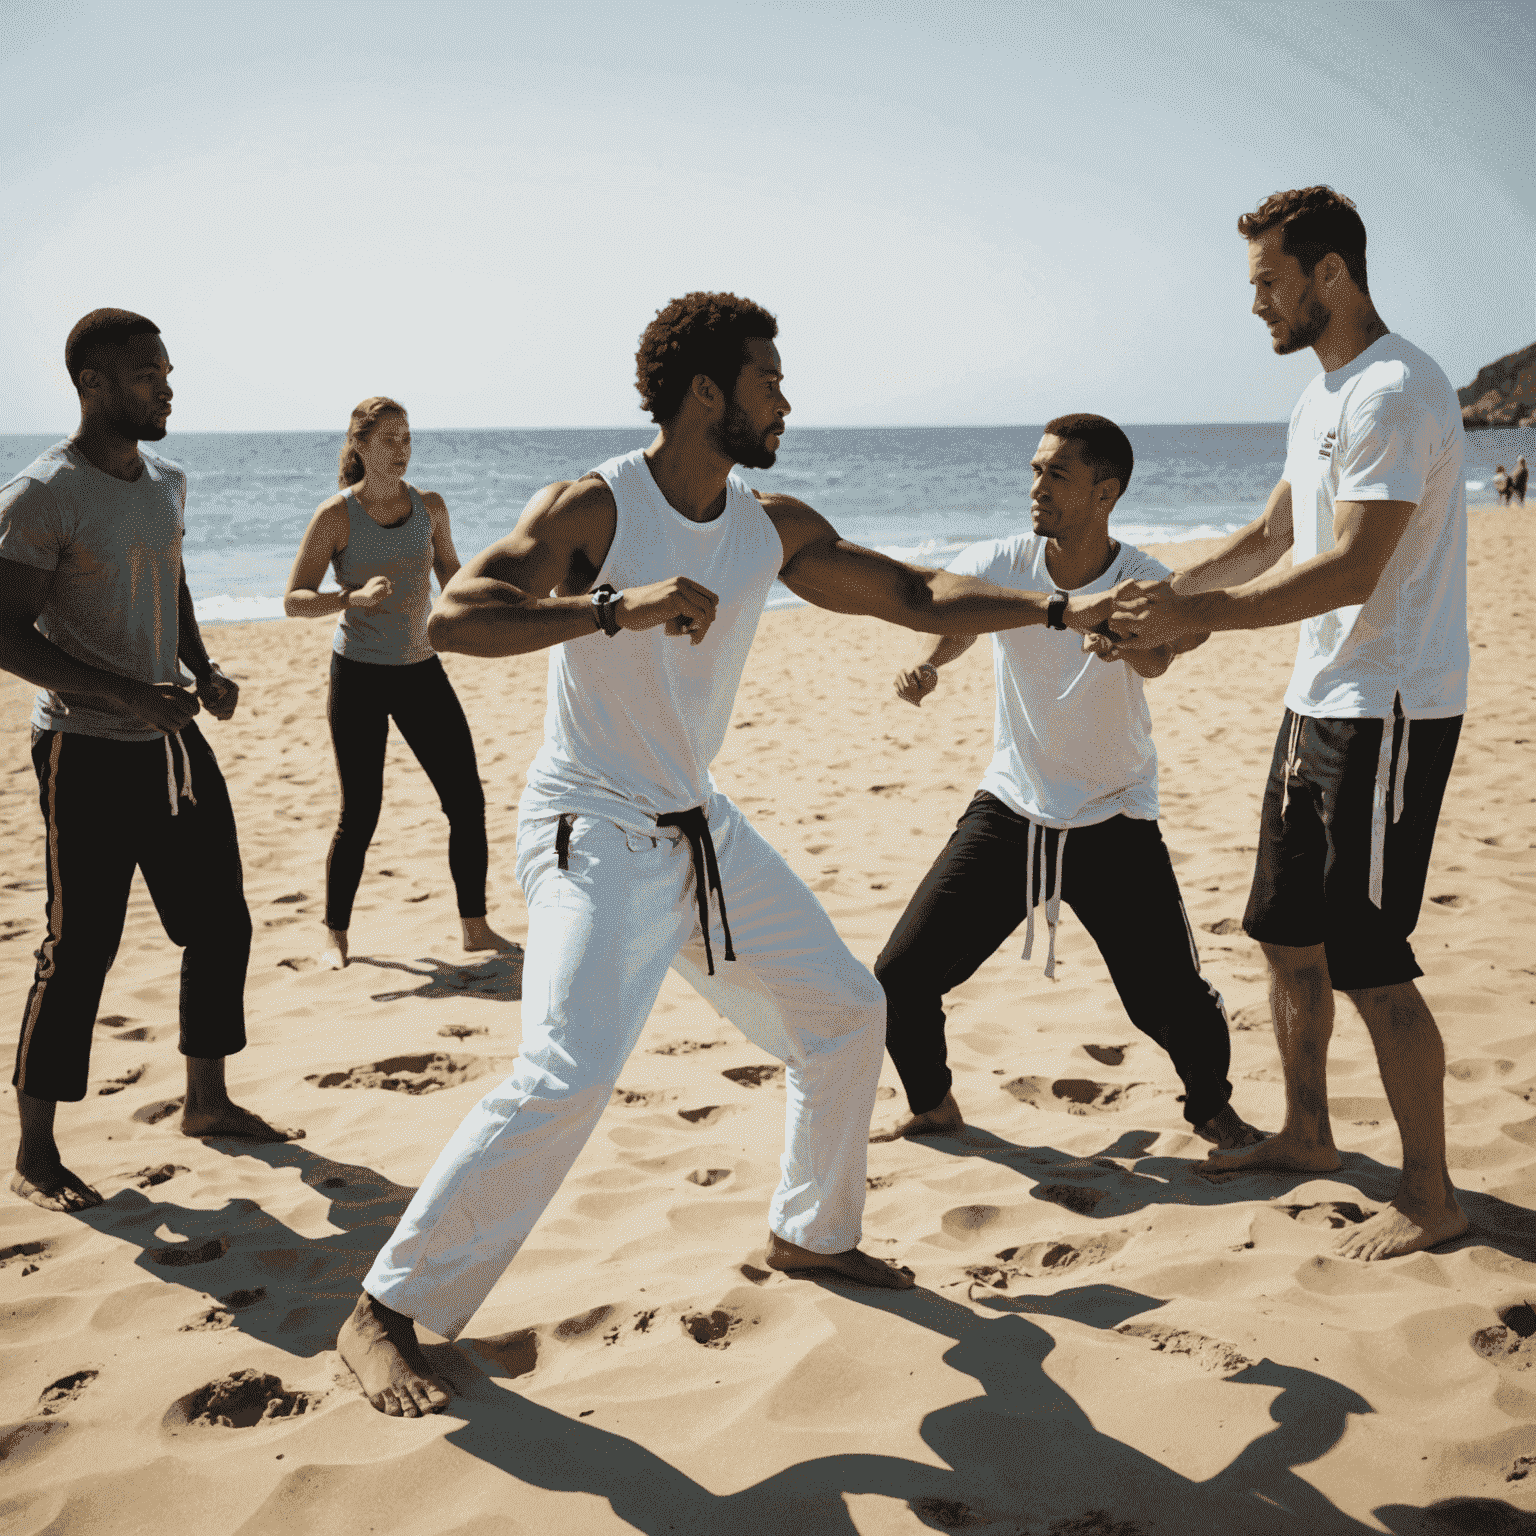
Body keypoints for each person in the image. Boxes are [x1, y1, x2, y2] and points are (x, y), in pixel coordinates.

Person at [335, 291, 1123, 1416]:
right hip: (590, 825)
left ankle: (810, 1234)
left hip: (697, 825)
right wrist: (615, 609)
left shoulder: (771, 525)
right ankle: (386, 1309)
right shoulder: (595, 508)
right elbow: (457, 618)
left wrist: (1064, 610)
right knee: (568, 1069)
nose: (787, 402)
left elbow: (916, 593)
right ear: (707, 393)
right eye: (769, 381)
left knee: (849, 1013)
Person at [1110, 186, 1470, 1262]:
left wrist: (1196, 616)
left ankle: (1432, 1193)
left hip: (1390, 707)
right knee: (1282, 930)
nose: (1257, 303)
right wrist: (1161, 605)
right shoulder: (1325, 395)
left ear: (1329, 275)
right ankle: (1309, 1132)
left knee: (1368, 957)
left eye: (1269, 280)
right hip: (1317, 701)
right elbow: (1276, 535)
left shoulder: (1397, 389)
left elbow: (1354, 565)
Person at [873, 414, 1263, 1152]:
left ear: (1104, 492)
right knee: (899, 976)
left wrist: (1127, 645)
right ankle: (934, 1103)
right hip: (1013, 807)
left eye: (1056, 474)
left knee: (1171, 1003)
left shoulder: (1140, 577)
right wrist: (931, 662)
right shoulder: (1006, 560)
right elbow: (959, 616)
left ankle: (1213, 1108)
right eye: (1034, 470)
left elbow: (1164, 658)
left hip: (1113, 816)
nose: (1036, 488)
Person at [0, 309, 300, 1212]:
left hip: (172, 745)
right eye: (147, 376)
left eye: (167, 372)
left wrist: (201, 665)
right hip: (84, 753)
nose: (167, 387)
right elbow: (5, 633)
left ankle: (205, 1103)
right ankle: (37, 1153)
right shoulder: (42, 494)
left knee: (221, 923)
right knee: (79, 945)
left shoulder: (167, 479)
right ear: (93, 384)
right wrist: (125, 694)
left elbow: (168, 575)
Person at [284, 398, 513, 969]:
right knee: (360, 810)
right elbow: (294, 600)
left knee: (467, 800)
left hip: (420, 669)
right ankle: (335, 934)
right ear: (360, 445)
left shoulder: (430, 507)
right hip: (358, 675)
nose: (402, 450)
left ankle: (475, 927)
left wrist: (502, 598)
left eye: (408, 439)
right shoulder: (335, 516)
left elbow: (452, 578)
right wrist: (349, 599)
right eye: (389, 439)